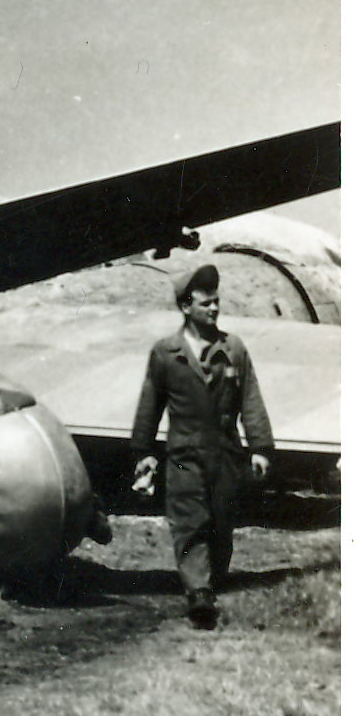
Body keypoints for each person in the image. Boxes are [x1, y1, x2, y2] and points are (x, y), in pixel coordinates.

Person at [129, 263, 272, 630]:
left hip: (226, 451)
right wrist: (143, 451)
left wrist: (259, 447)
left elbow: (250, 400)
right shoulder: (166, 353)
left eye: (216, 302)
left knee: (221, 522)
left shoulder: (233, 349)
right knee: (190, 519)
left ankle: (212, 578)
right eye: (206, 302)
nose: (214, 308)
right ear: (185, 307)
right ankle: (199, 592)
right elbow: (150, 404)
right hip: (184, 453)